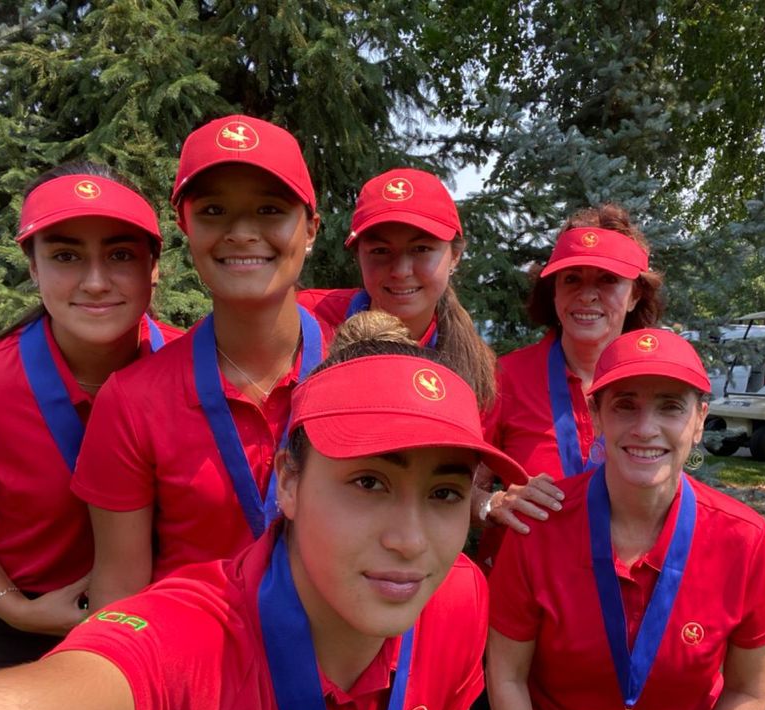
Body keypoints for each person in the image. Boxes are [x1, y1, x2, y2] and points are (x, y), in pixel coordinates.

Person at [0, 312, 528, 710]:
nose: (410, 541)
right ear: (288, 483)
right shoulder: (197, 640)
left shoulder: (456, 597)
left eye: (444, 494)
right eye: (369, 482)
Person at [487, 328, 765, 710]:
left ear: (700, 420)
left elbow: (750, 688)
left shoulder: (743, 538)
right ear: (597, 415)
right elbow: (506, 675)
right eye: (625, 405)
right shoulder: (539, 525)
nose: (645, 429)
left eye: (670, 407)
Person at [71, 115, 333, 611]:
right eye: (214, 210)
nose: (240, 232)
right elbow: (118, 594)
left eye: (270, 209)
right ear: (184, 229)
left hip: (338, 674)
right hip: (193, 675)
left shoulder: (358, 371)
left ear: (312, 228)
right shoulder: (133, 401)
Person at [0, 163, 179, 674]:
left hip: (166, 629)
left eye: (120, 255)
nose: (95, 282)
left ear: (153, 266)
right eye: (66, 256)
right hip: (17, 638)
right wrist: (17, 609)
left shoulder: (191, 371)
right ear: (32, 267)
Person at [477, 204, 663, 561]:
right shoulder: (505, 377)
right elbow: (458, 488)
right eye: (572, 278)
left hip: (625, 596)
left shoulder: (658, 382)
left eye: (608, 280)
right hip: (521, 598)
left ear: (635, 295)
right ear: (555, 292)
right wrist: (493, 504)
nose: (587, 295)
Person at [298, 167, 496, 410]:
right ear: (358, 257)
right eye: (380, 251)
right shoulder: (306, 317)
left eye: (421, 249)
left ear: (455, 256)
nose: (401, 271)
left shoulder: (478, 371)